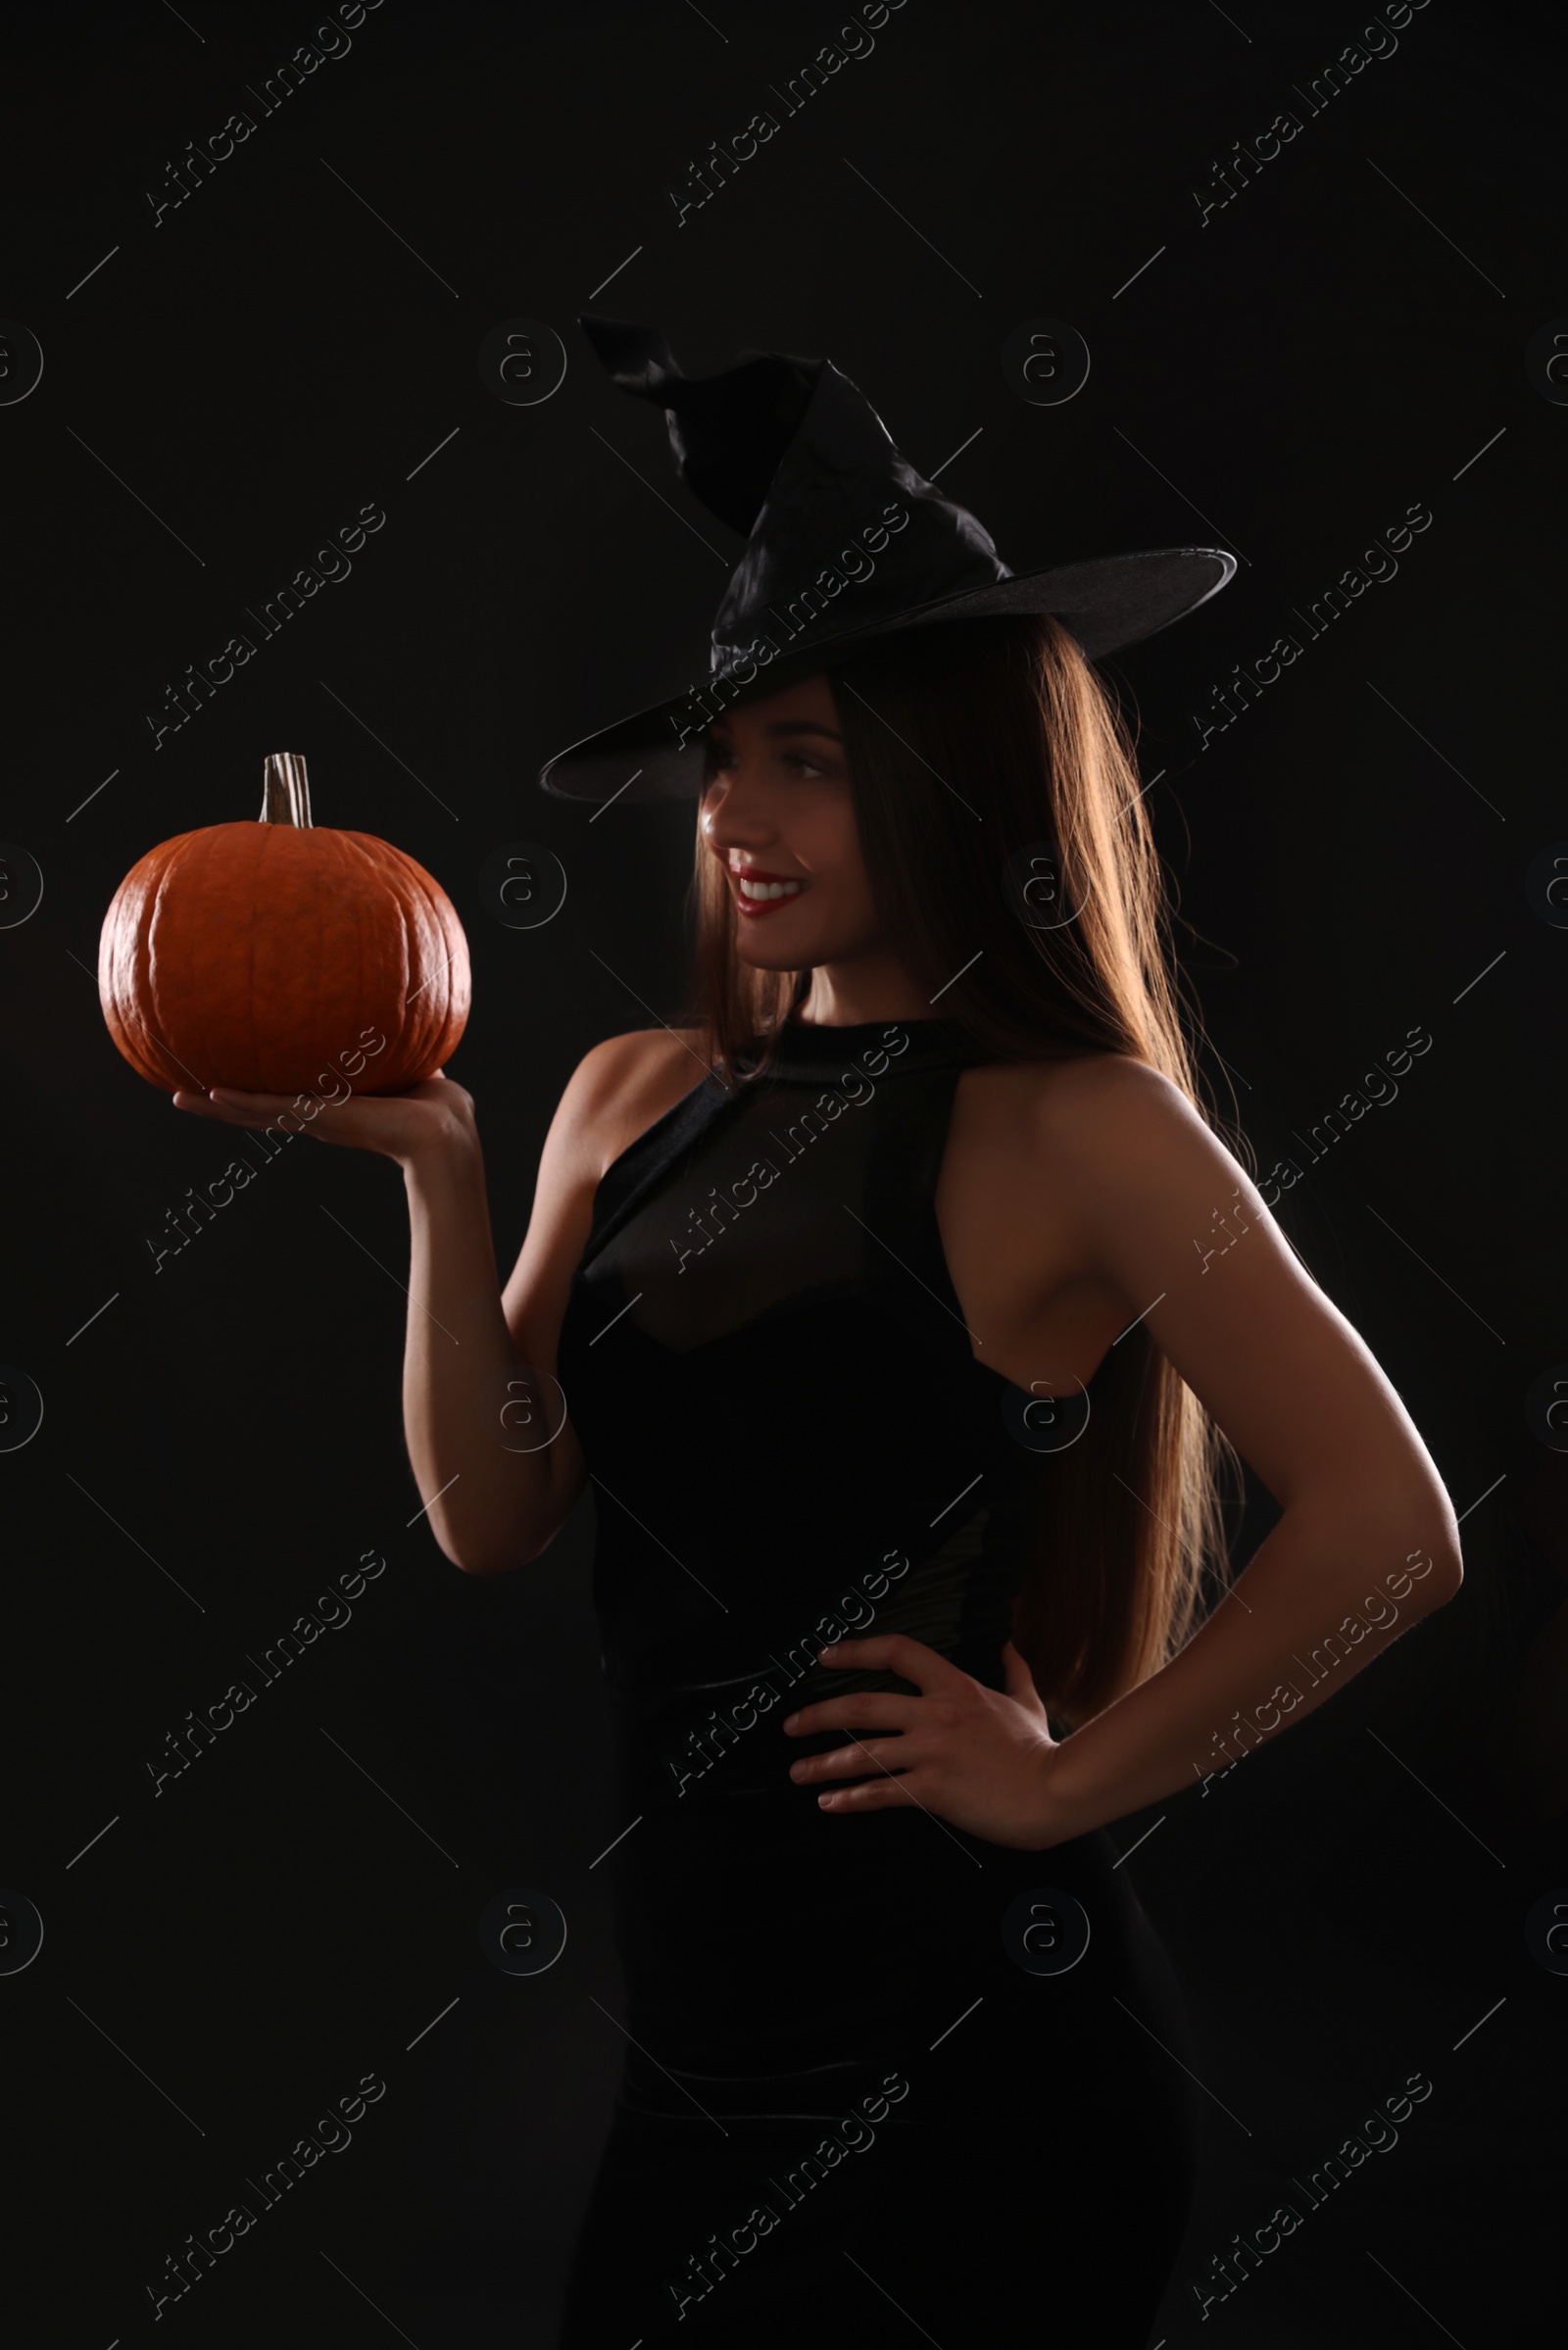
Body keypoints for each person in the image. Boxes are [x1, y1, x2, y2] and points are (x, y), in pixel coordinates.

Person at [173, 328, 1462, 2345]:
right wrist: (437, 1166)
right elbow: (492, 1514)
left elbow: (1390, 1518)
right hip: (701, 2048)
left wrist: (1062, 1790)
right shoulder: (625, 1090)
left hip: (975, 2047)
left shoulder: (1075, 1126)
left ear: (956, 781)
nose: (732, 815)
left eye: (807, 758)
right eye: (723, 757)